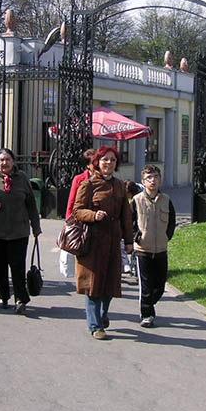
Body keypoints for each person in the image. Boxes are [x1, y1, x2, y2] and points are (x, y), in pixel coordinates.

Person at [72, 146, 133, 340]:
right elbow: (77, 211)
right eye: (105, 159)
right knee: (93, 284)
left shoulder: (119, 185)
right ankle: (95, 325)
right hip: (93, 241)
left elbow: (126, 216)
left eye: (113, 160)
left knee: (110, 283)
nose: (109, 163)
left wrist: (129, 241)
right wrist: (93, 215)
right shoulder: (88, 185)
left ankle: (102, 314)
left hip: (113, 240)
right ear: (97, 162)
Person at [0, 148, 42, 314]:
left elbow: (31, 203)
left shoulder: (22, 178)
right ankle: (3, 297)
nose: (5, 163)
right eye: (1, 160)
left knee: (18, 267)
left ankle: (20, 299)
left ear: (13, 161)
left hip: (19, 231)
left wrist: (36, 226)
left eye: (8, 160)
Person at [130, 164, 176, 327]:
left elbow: (171, 222)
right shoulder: (137, 200)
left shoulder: (166, 200)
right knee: (146, 285)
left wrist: (166, 237)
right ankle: (147, 314)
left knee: (160, 285)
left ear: (160, 180)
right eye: (149, 178)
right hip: (143, 250)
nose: (153, 180)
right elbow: (130, 222)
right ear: (143, 181)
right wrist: (137, 237)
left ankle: (150, 303)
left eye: (156, 177)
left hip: (161, 249)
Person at [60, 148, 96, 278]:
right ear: (88, 165)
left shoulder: (105, 179)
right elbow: (72, 201)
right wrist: (69, 221)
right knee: (80, 248)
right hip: (81, 219)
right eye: (94, 163)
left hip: (97, 220)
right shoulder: (79, 179)